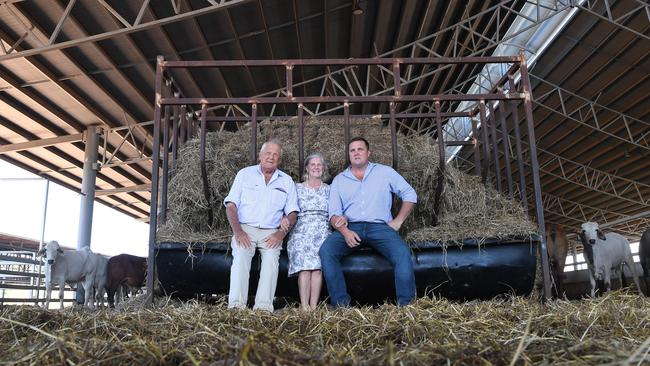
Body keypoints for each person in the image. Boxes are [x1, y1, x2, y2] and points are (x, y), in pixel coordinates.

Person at [319, 136, 417, 307]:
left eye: (360, 149)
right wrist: (345, 232)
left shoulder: (385, 172)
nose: (356, 153)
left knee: (402, 253)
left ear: (368, 153)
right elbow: (334, 214)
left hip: (380, 227)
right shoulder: (340, 180)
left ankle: (406, 306)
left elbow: (410, 194)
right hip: (351, 228)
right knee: (326, 251)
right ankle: (341, 306)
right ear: (349, 155)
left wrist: (398, 221)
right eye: (352, 150)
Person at [224, 139, 298, 311]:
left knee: (272, 260)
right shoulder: (244, 174)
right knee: (241, 256)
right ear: (260, 155)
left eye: (275, 155)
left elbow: (293, 212)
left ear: (279, 160)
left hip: (271, 232)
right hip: (245, 228)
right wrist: (238, 232)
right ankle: (236, 306)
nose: (271, 157)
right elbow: (230, 205)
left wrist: (280, 234)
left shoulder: (286, 181)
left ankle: (263, 308)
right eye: (268, 153)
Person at [285, 153, 334, 310]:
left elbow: (337, 210)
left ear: (323, 169)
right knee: (305, 269)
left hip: (322, 229)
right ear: (307, 168)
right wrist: (282, 218)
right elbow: (287, 207)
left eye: (319, 165)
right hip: (301, 230)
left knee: (317, 269)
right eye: (313, 164)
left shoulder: (330, 190)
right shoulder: (296, 188)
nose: (316, 167)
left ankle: (313, 308)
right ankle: (304, 307)